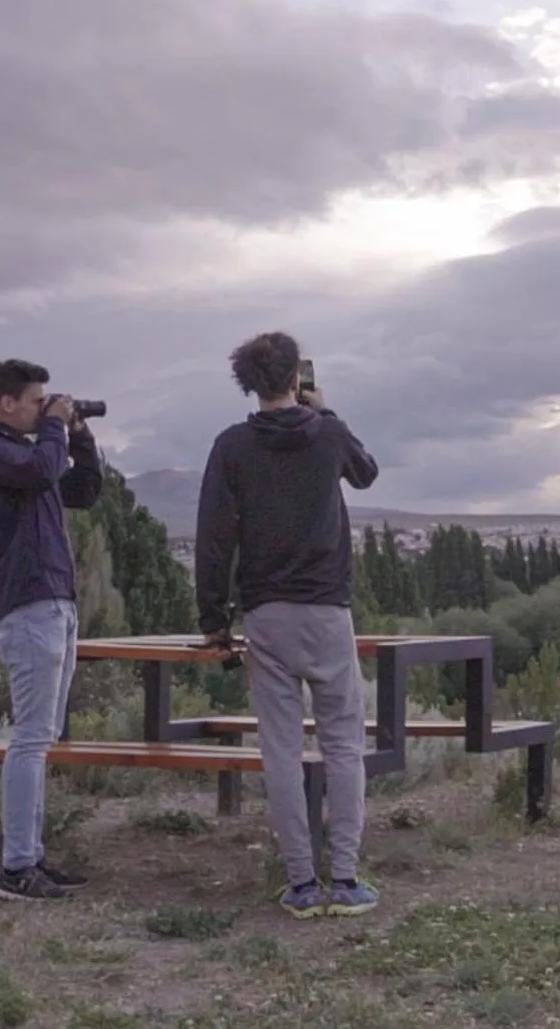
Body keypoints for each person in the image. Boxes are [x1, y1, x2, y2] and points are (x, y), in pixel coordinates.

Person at [194, 332, 380, 919]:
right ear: (295, 377)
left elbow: (215, 538)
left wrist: (214, 620)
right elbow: (366, 473)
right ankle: (346, 878)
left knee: (280, 749)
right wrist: (324, 411)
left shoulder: (231, 446)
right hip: (327, 609)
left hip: (266, 613)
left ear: (249, 383)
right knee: (344, 746)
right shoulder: (326, 433)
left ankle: (301, 883)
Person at [0, 358, 105, 902]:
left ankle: (31, 858)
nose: (46, 407)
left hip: (55, 602)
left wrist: (78, 437)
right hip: (29, 604)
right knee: (31, 739)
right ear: (6, 404)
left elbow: (82, 491)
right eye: (38, 401)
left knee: (43, 738)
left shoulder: (33, 453)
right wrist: (57, 428)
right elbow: (40, 472)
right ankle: (16, 869)